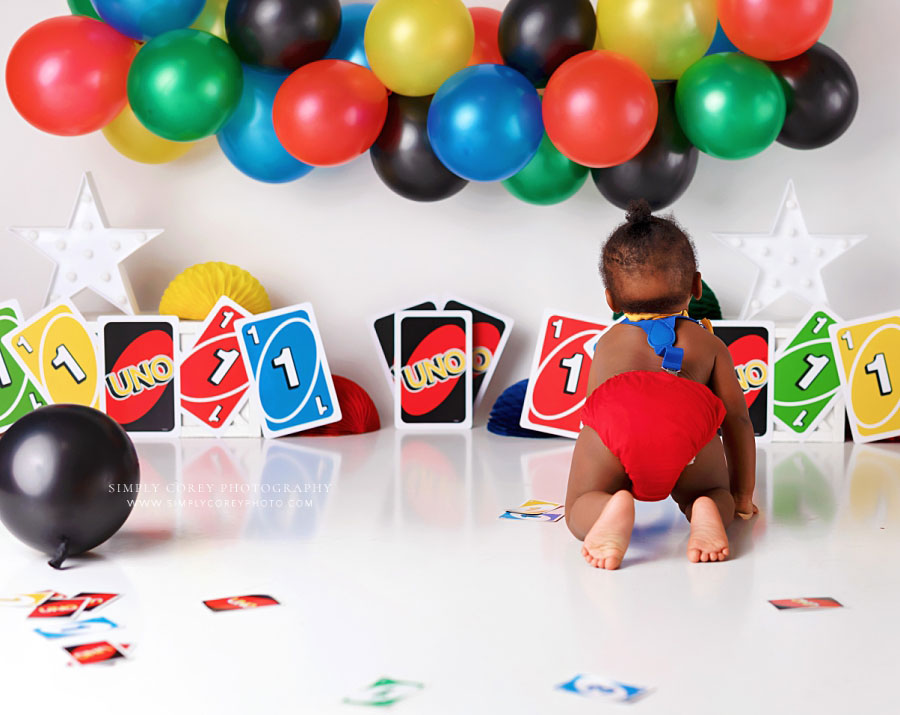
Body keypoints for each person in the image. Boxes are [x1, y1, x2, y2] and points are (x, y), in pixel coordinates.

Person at [565, 200, 758, 570]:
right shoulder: (709, 344)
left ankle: (608, 507)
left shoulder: (607, 343)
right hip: (687, 432)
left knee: (580, 502)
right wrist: (740, 496)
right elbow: (737, 420)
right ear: (697, 286)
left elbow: (594, 413)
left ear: (610, 299)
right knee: (711, 492)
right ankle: (704, 508)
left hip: (616, 427)